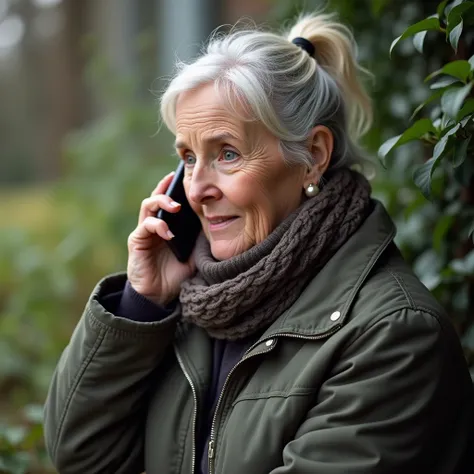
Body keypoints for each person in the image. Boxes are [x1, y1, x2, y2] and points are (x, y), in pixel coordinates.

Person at [43, 12, 474, 474]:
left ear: (313, 156)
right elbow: (82, 456)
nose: (197, 188)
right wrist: (141, 304)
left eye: (226, 153)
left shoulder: (393, 335)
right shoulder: (193, 306)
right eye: (189, 157)